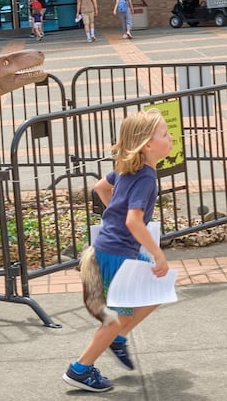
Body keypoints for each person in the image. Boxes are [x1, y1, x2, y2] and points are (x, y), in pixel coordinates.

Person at [62, 108, 172, 393]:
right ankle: (80, 369)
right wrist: (158, 254)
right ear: (148, 144)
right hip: (116, 253)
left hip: (115, 249)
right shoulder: (145, 177)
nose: (170, 137)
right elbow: (133, 220)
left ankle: (119, 338)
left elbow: (100, 187)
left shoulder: (127, 167)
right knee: (114, 319)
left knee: (156, 290)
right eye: (165, 134)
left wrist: (114, 216)